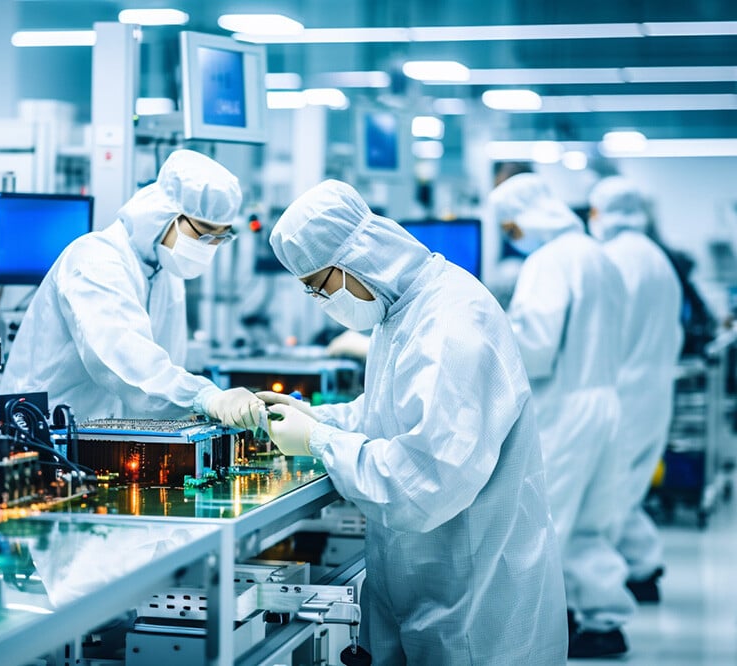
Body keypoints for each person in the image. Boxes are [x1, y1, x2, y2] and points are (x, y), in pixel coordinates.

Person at [259, 180, 567, 665]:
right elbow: (384, 416)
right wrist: (316, 417)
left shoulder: (450, 325)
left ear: (356, 258)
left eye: (320, 286)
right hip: (431, 579)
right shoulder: (403, 310)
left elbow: (423, 483)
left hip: (472, 598)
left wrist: (319, 441)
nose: (323, 302)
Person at [0, 149, 263, 430]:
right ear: (166, 214)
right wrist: (203, 397)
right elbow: (127, 362)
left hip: (112, 446)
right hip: (47, 438)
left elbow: (162, 371)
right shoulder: (95, 259)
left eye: (221, 237)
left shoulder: (165, 273)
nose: (210, 247)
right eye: (204, 233)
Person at [489, 173, 635, 658]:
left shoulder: (550, 262)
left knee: (544, 520)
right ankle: (604, 620)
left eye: (511, 229)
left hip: (566, 408)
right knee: (592, 521)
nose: (514, 240)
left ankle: (536, 630)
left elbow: (535, 347)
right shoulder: (597, 255)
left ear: (526, 217)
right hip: (607, 403)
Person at [589, 176, 683, 603]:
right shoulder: (656, 258)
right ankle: (643, 567)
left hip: (622, 391)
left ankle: (603, 605)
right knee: (627, 489)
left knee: (604, 498)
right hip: (654, 390)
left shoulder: (612, 259)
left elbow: (602, 334)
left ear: (602, 212)